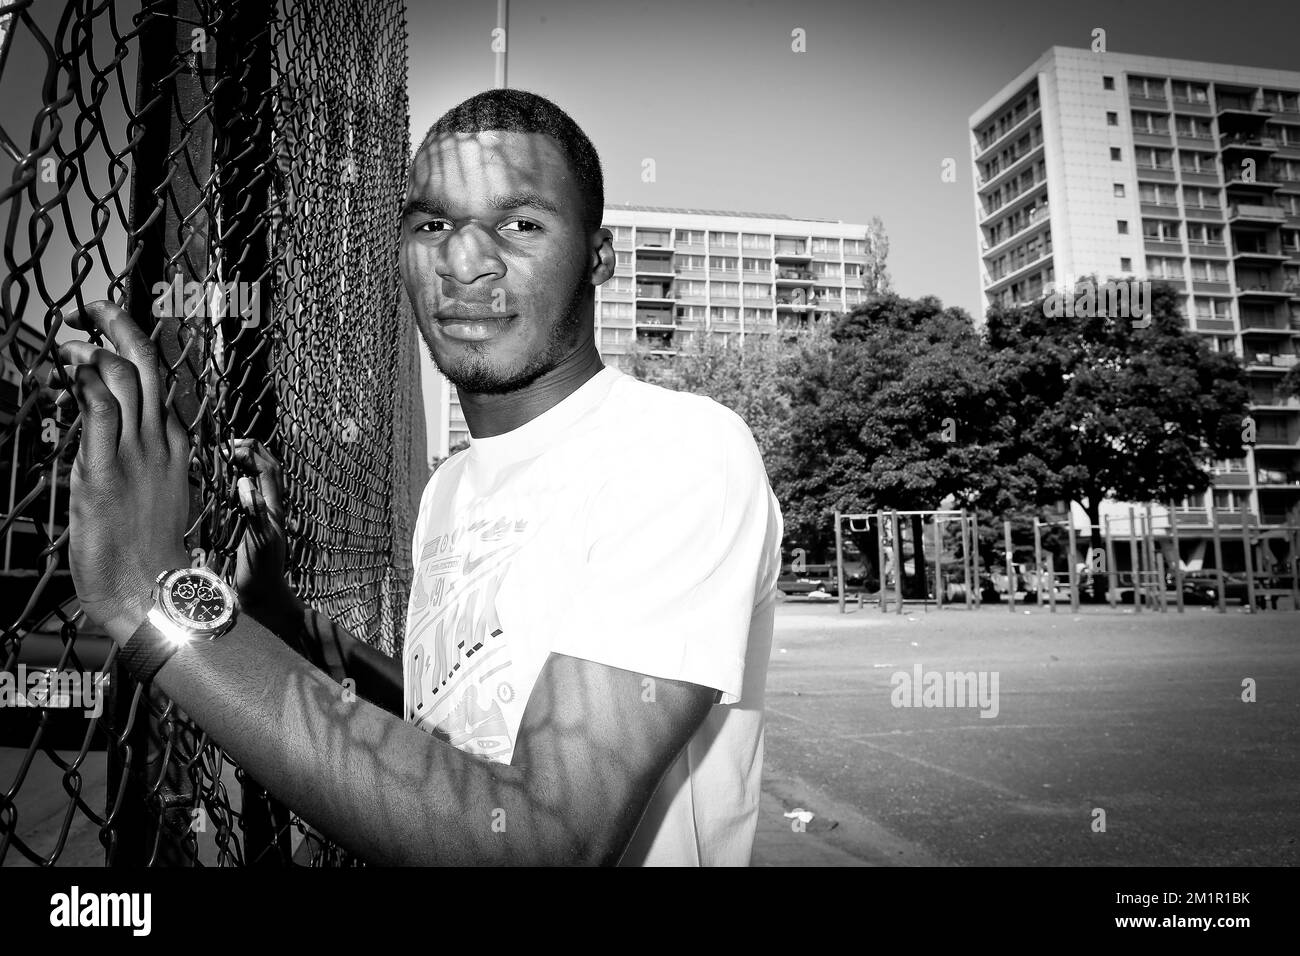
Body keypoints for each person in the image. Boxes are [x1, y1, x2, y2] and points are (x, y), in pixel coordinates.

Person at [58, 88, 783, 866]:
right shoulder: (452, 486)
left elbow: (545, 841)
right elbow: (455, 727)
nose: (466, 261)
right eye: (433, 224)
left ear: (597, 259)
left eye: (522, 224)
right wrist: (279, 618)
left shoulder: (677, 449)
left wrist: (153, 600)